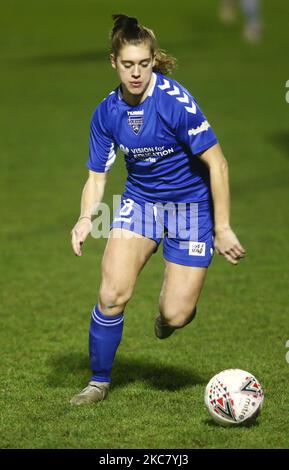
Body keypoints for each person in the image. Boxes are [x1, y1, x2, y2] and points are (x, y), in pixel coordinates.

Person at [70, 14, 245, 405]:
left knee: (176, 314)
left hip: (191, 207)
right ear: (113, 62)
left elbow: (218, 163)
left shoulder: (174, 103)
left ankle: (169, 314)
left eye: (144, 64)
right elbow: (97, 177)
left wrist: (223, 227)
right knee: (112, 293)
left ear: (153, 60)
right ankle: (98, 382)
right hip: (142, 203)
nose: (136, 73)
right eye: (128, 64)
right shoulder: (106, 113)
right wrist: (85, 219)